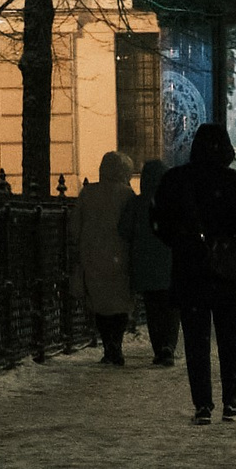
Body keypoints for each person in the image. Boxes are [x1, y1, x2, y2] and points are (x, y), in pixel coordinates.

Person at [152, 123, 236, 423]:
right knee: (228, 338)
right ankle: (232, 402)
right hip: (224, 269)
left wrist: (182, 242)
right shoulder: (231, 182)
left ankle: (202, 406)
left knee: (196, 341)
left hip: (190, 267)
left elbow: (159, 222)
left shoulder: (176, 180)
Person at [74, 150, 137, 362]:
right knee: (119, 303)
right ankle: (115, 343)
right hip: (120, 254)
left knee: (100, 303)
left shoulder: (88, 193)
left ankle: (107, 344)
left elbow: (75, 225)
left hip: (92, 253)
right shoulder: (127, 195)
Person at [120, 156, 179, 364]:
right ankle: (169, 346)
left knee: (153, 309)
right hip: (171, 265)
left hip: (144, 265)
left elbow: (124, 231)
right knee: (172, 309)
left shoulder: (137, 203)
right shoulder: (173, 202)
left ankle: (159, 348)